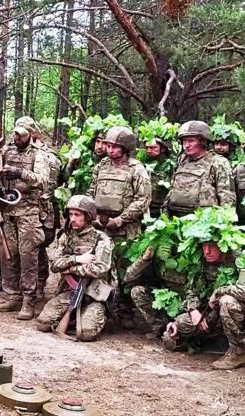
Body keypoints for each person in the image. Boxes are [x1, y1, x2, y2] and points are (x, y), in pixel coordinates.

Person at [86, 126, 151, 328]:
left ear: (126, 148)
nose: (111, 150)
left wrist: (121, 220)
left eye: (115, 147)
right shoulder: (101, 166)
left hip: (125, 228)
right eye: (108, 145)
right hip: (100, 226)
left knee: (125, 271)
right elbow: (91, 191)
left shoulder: (136, 169)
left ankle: (126, 311)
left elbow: (143, 199)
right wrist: (92, 216)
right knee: (101, 267)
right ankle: (101, 308)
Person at [164, 242, 245, 369]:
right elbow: (192, 291)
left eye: (211, 247)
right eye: (204, 247)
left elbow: (244, 291)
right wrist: (193, 310)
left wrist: (219, 292)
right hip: (212, 313)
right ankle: (204, 342)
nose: (206, 251)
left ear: (222, 245)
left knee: (227, 301)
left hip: (243, 315)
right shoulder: (202, 262)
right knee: (175, 330)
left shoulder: (240, 260)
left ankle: (238, 352)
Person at [0, 125, 49, 319]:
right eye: (14, 133)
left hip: (29, 213)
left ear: (30, 135)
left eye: (21, 135)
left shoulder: (39, 155)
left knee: (28, 256)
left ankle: (28, 300)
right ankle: (12, 294)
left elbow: (42, 180)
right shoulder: (6, 150)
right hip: (7, 209)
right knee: (9, 254)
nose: (16, 137)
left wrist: (20, 173)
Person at [36, 195, 114, 341]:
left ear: (88, 216)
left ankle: (91, 315)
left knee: (86, 333)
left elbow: (99, 269)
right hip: (71, 291)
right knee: (43, 323)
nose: (72, 218)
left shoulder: (101, 239)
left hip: (94, 294)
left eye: (77, 215)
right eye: (70, 214)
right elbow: (54, 264)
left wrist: (70, 269)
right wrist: (77, 259)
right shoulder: (66, 237)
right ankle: (73, 316)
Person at [13, 116, 62, 301]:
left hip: (46, 207)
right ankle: (24, 288)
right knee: (26, 248)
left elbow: (57, 183)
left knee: (39, 247)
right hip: (27, 206)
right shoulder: (20, 152)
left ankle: (40, 285)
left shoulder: (50, 157)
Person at [163, 121, 235, 217]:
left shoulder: (218, 162)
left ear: (203, 141)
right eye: (184, 141)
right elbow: (172, 188)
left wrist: (224, 222)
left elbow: (227, 197)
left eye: (191, 141)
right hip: (176, 217)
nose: (187, 145)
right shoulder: (182, 159)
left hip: (203, 220)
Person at [142, 137, 174, 218]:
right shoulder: (142, 165)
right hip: (145, 207)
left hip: (162, 208)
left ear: (162, 149)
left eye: (153, 148)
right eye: (147, 148)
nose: (149, 151)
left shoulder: (170, 166)